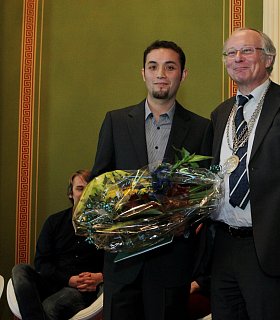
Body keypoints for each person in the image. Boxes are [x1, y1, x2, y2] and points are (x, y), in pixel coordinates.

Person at [203, 27, 280, 319]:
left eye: (247, 50)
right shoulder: (220, 113)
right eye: (231, 53)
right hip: (222, 246)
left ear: (269, 58)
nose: (238, 58)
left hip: (273, 246)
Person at [90, 40, 209, 320]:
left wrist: (184, 221)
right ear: (143, 73)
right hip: (122, 262)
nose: (161, 74)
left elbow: (203, 193)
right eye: (153, 67)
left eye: (170, 67)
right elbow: (99, 182)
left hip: (172, 263)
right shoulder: (116, 121)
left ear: (183, 74)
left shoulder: (202, 128)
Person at [12, 169, 104, 320]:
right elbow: (42, 263)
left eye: (90, 189)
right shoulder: (54, 222)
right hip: (52, 284)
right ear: (71, 193)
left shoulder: (105, 225)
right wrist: (68, 279)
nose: (85, 193)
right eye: (80, 188)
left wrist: (99, 277)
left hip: (83, 291)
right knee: (19, 270)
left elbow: (114, 262)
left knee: (49, 307)